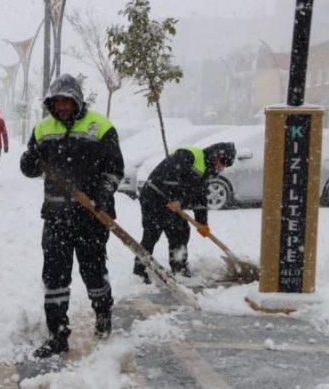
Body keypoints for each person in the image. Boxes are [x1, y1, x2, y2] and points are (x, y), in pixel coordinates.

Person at [20, 74, 124, 358]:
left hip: (91, 217)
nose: (63, 106)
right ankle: (57, 334)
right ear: (51, 103)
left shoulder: (100, 127)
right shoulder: (43, 130)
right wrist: (28, 162)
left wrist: (102, 194)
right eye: (58, 101)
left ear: (77, 101)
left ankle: (103, 312)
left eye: (67, 101)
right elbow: (30, 168)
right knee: (54, 277)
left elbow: (115, 168)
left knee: (93, 273)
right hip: (55, 217)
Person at [133, 142, 237, 283]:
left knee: (180, 232)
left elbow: (200, 198)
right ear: (216, 156)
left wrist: (202, 223)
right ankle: (140, 271)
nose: (222, 168)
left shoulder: (206, 170)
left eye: (225, 166)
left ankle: (179, 268)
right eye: (223, 163)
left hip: (174, 203)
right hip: (154, 195)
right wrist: (176, 199)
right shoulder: (190, 155)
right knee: (152, 233)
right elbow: (170, 176)